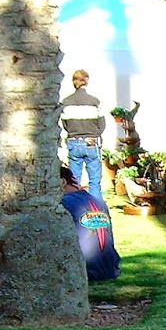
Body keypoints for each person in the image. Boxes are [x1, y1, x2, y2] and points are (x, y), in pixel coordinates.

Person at [61, 165, 120, 282]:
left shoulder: (64, 203)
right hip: (111, 268)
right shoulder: (99, 201)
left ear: (62, 182)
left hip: (87, 271)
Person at [60, 68, 106, 199]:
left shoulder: (66, 102)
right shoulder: (94, 102)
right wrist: (95, 134)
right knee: (95, 181)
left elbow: (65, 125)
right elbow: (102, 124)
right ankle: (96, 208)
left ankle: (77, 206)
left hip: (74, 141)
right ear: (87, 82)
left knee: (74, 180)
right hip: (91, 141)